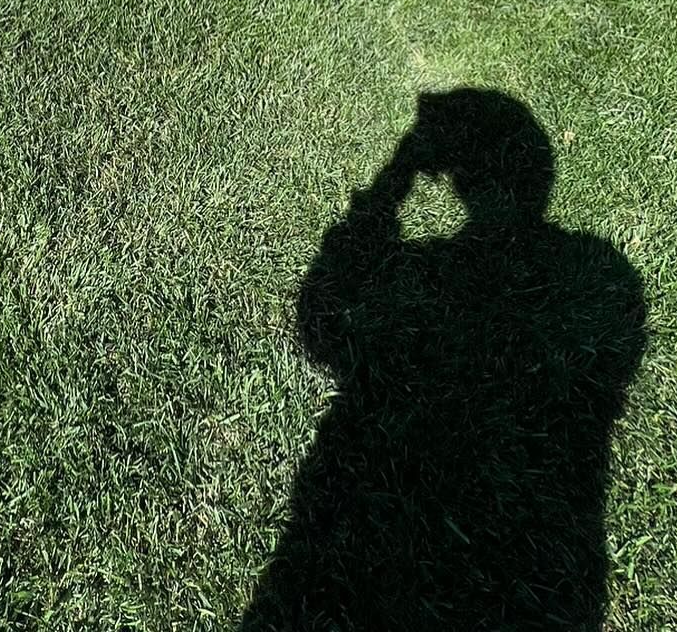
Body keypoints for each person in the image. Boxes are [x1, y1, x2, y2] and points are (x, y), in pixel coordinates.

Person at [242, 90, 646, 630]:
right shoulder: (603, 274)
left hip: (372, 549)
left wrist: (392, 182)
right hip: (540, 574)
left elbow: (325, 324)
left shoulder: (453, 274)